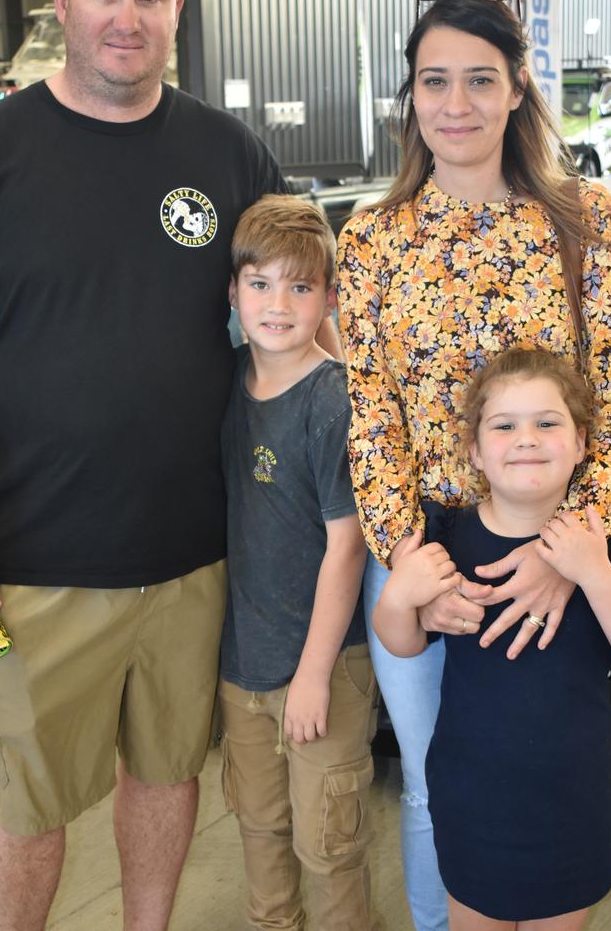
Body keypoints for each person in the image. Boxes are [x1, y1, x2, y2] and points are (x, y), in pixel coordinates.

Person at [0, 0, 288, 929]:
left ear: (178, 9)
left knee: (168, 773)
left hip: (193, 557)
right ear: (62, 1)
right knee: (23, 797)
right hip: (26, 564)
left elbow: (298, 320)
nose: (124, 17)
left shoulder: (229, 154)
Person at [336, 0, 611, 931]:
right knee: (439, 785)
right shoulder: (373, 238)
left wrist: (569, 552)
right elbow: (371, 419)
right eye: (435, 81)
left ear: (519, 87)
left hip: (562, 541)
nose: (457, 104)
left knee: (540, 770)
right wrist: (409, 568)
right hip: (427, 552)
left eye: (481, 79)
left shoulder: (588, 221)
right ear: (413, 96)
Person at [373, 346, 611, 930]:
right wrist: (398, 595)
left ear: (582, 443)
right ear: (476, 452)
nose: (526, 439)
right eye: (505, 425)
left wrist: (592, 571)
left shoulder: (603, 541)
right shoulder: (446, 534)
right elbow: (404, 643)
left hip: (569, 801)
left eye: (547, 423)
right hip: (470, 797)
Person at [219, 194, 376, 931]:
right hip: (243, 667)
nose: (277, 304)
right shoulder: (227, 386)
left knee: (329, 845)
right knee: (259, 828)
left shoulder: (332, 402)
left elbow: (346, 546)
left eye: (300, 286)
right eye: (260, 283)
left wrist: (312, 676)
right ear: (234, 292)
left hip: (323, 670)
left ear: (328, 299)